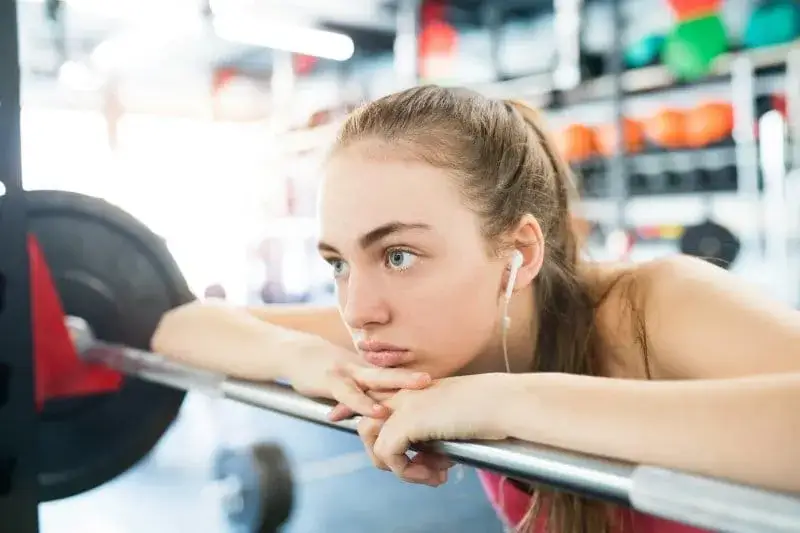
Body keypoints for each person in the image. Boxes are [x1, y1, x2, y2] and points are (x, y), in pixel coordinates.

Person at [151, 86, 800, 533]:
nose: (357, 309)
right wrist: (305, 359)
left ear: (518, 251)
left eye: (399, 254)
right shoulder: (402, 336)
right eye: (339, 262)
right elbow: (180, 328)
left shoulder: (651, 306)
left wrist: (500, 402)